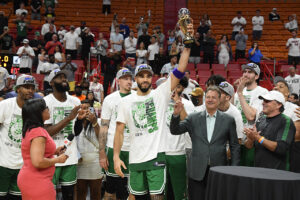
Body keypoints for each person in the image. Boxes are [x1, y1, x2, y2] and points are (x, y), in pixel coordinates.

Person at [113, 23, 193, 199]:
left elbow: (179, 70)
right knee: (136, 197)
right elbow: (119, 131)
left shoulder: (160, 94)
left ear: (152, 78)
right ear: (136, 79)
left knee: (157, 197)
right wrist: (116, 157)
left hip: (156, 156)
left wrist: (186, 47)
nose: (145, 79)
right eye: (141, 76)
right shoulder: (126, 102)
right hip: (135, 158)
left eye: (148, 76)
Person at [170, 86, 240, 200]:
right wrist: (176, 115)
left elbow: (234, 146)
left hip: (219, 170)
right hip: (196, 171)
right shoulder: (193, 118)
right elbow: (175, 130)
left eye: (213, 97)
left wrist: (234, 168)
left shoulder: (228, 120)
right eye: (208, 97)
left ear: (218, 100)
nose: (210, 100)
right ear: (204, 99)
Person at [17, 98, 68, 200]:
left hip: (32, 179)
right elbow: (38, 162)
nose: (48, 110)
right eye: (46, 108)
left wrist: (54, 151)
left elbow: (33, 152)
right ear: (38, 113)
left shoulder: (31, 129)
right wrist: (58, 160)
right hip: (37, 181)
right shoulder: (38, 133)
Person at [44, 69, 81, 200]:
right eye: (59, 77)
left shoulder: (76, 101)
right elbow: (45, 132)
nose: (64, 79)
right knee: (49, 195)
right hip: (50, 157)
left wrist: (81, 120)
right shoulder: (45, 102)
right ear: (51, 83)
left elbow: (76, 132)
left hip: (69, 155)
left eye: (64, 77)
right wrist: (69, 118)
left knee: (69, 195)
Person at [0, 75, 36, 200]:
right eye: (26, 87)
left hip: (23, 166)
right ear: (18, 89)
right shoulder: (5, 105)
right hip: (3, 163)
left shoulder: (34, 110)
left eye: (32, 88)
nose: (30, 90)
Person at [99, 68, 133, 200]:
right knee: (111, 188)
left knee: (130, 190)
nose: (129, 81)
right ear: (118, 81)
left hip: (133, 148)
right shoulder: (110, 99)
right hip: (114, 148)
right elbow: (104, 127)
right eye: (125, 78)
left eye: (130, 78)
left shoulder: (137, 97)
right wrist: (102, 153)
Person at [244, 91, 296, 170]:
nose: (263, 103)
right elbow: (249, 146)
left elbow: (281, 148)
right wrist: (250, 139)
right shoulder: (261, 119)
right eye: (263, 100)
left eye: (267, 101)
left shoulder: (286, 121)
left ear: (279, 105)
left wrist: (259, 138)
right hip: (258, 169)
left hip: (277, 172)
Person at [163, 77, 194, 200]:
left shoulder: (188, 104)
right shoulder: (161, 102)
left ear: (183, 88)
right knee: (160, 193)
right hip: (160, 153)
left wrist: (178, 102)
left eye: (178, 87)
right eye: (173, 86)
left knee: (180, 192)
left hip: (179, 153)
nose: (174, 90)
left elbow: (188, 124)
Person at [233, 63, 268, 166]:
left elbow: (251, 116)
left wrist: (239, 93)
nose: (245, 74)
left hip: (251, 141)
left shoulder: (262, 92)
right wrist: (236, 91)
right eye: (244, 72)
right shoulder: (239, 91)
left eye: (250, 72)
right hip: (237, 139)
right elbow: (231, 110)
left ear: (256, 76)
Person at [75, 100, 102, 200]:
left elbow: (102, 139)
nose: (86, 111)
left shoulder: (98, 121)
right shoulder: (75, 122)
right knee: (80, 192)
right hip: (79, 161)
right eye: (83, 108)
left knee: (95, 193)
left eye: (88, 108)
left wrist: (94, 122)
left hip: (95, 161)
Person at [273, 77, 300, 172]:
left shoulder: (294, 108)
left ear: (287, 94)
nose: (276, 88)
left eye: (281, 87)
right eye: (275, 87)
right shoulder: (265, 107)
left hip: (288, 152)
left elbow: (297, 135)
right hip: (269, 151)